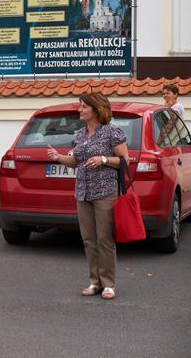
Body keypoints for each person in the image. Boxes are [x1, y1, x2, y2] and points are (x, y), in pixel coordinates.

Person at [47, 94, 128, 300]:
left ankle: (108, 283)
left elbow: (125, 160)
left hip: (105, 192)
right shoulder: (80, 134)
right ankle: (94, 282)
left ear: (96, 109)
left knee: (105, 240)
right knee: (89, 240)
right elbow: (75, 161)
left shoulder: (112, 132)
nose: (79, 110)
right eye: (80, 106)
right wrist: (59, 157)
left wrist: (103, 159)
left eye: (83, 107)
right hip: (82, 192)